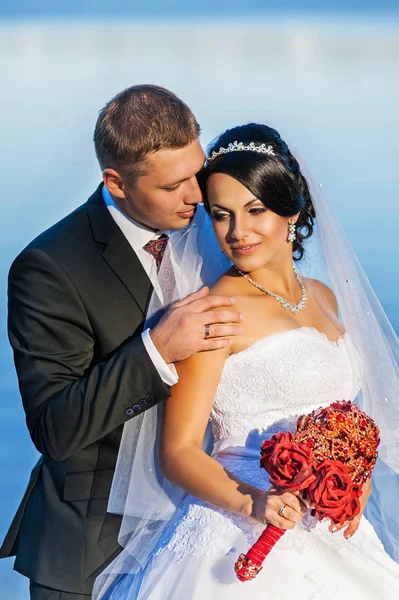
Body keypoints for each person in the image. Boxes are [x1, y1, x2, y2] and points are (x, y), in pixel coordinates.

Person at [93, 123, 399, 599]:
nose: (237, 232)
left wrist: (349, 482)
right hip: (239, 529)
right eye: (220, 215)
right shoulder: (214, 312)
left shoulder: (324, 298)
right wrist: (255, 501)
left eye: (255, 210)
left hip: (331, 528)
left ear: (291, 210)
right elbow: (179, 452)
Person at [0, 85, 243, 600]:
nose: (197, 197)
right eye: (174, 185)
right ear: (115, 182)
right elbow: (56, 428)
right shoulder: (48, 267)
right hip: (91, 549)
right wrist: (155, 349)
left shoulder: (223, 227)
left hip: (212, 535)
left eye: (196, 173)